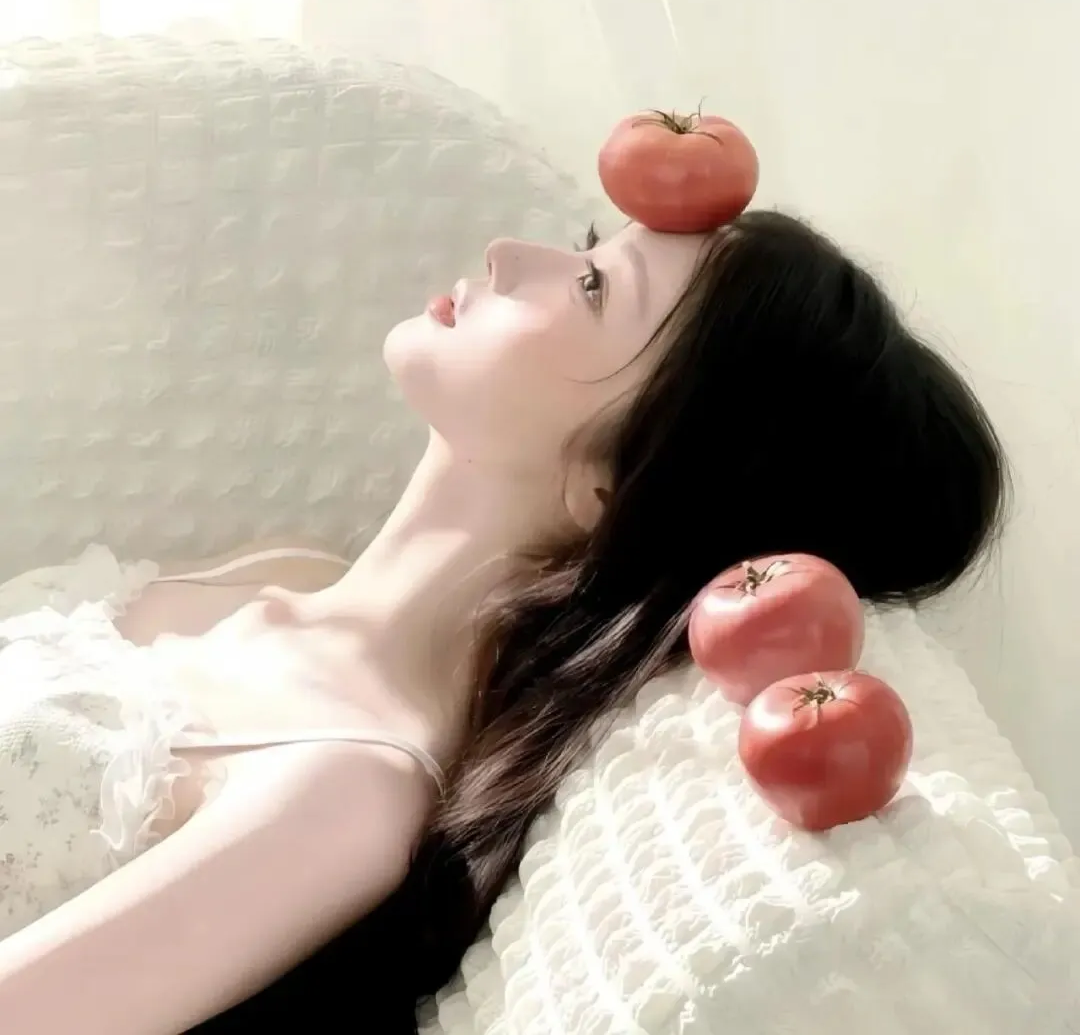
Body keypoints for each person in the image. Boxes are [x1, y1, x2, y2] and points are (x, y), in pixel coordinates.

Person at [0, 210, 1006, 1034]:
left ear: (615, 486)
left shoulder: (341, 794)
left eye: (594, 286)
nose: (507, 254)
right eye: (584, 244)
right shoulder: (278, 567)